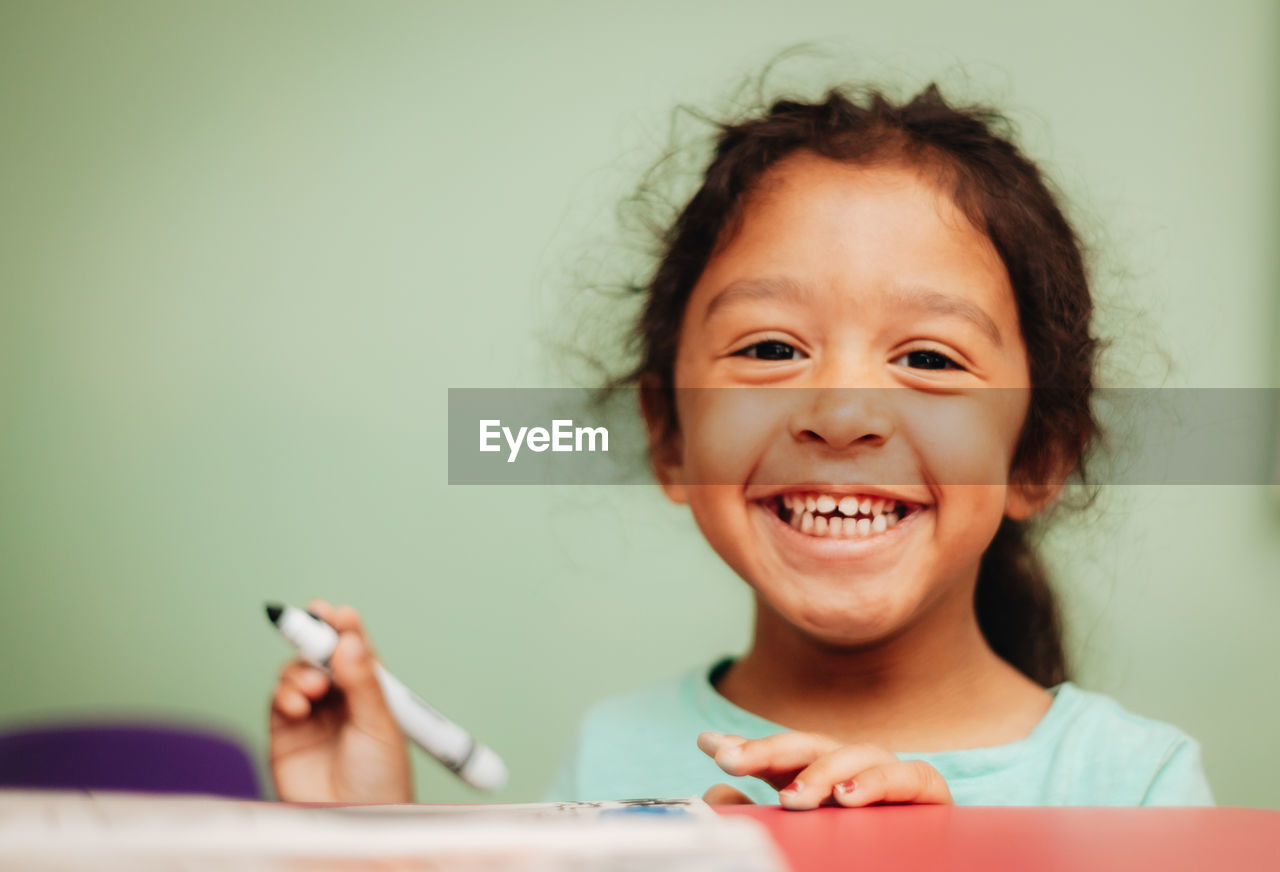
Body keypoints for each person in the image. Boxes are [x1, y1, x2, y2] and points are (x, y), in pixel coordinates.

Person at [268, 82, 1214, 808]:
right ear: (670, 437)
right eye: (770, 348)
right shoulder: (613, 755)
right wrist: (366, 847)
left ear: (1039, 451)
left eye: (928, 356)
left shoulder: (1136, 786)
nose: (841, 416)